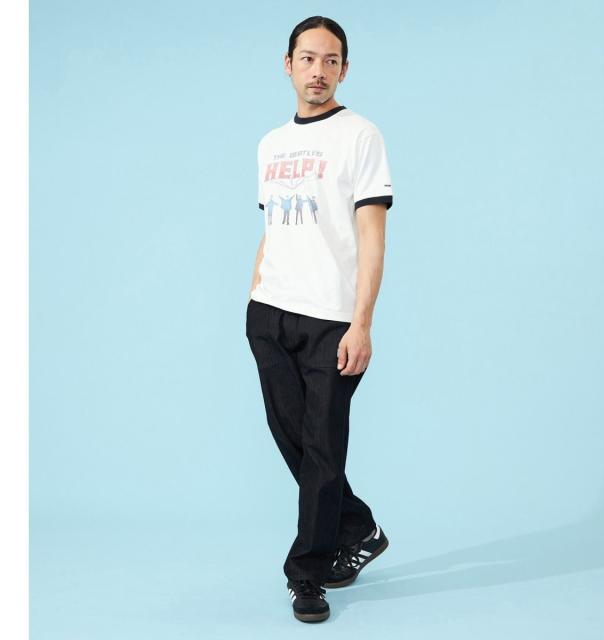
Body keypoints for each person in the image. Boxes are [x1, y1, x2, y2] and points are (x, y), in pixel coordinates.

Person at [245, 15, 392, 624]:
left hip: (332, 319)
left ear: (344, 70)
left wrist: (362, 323)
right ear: (288, 65)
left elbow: (372, 235)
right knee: (298, 443)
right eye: (307, 59)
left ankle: (307, 574)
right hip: (270, 314)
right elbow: (273, 225)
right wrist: (254, 293)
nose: (318, 71)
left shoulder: (360, 136)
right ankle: (357, 527)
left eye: (331, 60)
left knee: (324, 448)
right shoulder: (270, 144)